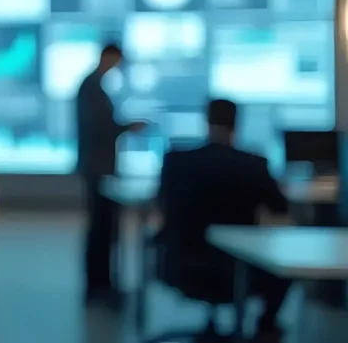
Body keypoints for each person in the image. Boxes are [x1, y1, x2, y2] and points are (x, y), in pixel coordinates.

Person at [158, 99, 290, 342]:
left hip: (180, 266)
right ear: (236, 124)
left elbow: (160, 206)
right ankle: (266, 327)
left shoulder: (176, 162)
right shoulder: (253, 164)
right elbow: (280, 207)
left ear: (206, 122)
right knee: (285, 262)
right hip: (241, 270)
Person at [75, 43, 145, 304]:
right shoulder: (91, 88)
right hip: (97, 169)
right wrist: (128, 127)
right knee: (101, 230)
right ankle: (98, 288)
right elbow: (100, 128)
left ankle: (103, 285)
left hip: (100, 168)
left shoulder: (94, 86)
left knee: (105, 229)